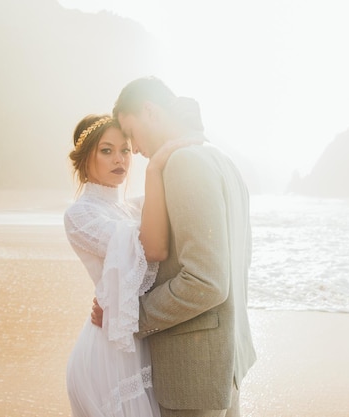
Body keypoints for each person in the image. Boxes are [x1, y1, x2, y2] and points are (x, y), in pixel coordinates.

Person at [91, 77, 257, 417]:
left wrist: (128, 318)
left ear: (150, 111)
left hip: (194, 372)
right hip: (226, 362)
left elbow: (206, 281)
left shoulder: (185, 164)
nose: (133, 148)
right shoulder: (223, 162)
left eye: (131, 132)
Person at [64, 113, 190, 416]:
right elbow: (152, 246)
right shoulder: (80, 215)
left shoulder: (131, 206)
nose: (119, 158)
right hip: (108, 356)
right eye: (106, 150)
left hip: (139, 339)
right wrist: (154, 169)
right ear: (84, 159)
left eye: (124, 149)